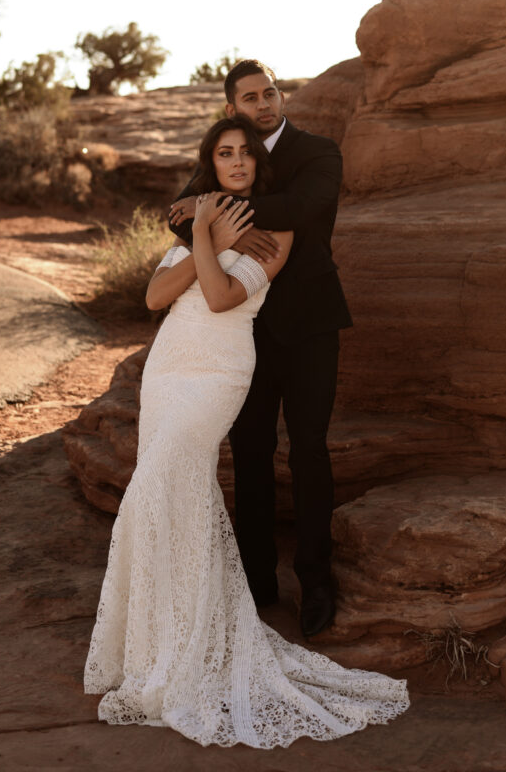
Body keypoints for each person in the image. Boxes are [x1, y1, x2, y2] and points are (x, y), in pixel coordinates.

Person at [85, 116, 409, 748]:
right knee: (170, 493)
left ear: (261, 166)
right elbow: (156, 298)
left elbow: (218, 296)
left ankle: (190, 644)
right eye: (224, 153)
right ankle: (154, 642)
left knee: (158, 485)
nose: (236, 162)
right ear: (212, 161)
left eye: (246, 155)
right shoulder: (202, 216)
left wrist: (204, 232)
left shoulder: (278, 229)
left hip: (219, 370)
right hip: (170, 366)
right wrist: (202, 228)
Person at [170, 59, 352, 638]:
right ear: (233, 110)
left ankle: (316, 580)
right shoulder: (225, 155)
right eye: (250, 97)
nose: (264, 103)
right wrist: (204, 214)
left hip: (309, 325)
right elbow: (176, 218)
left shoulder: (318, 151)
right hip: (241, 333)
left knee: (309, 453)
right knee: (248, 456)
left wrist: (213, 212)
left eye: (270, 92)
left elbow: (304, 209)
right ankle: (256, 579)